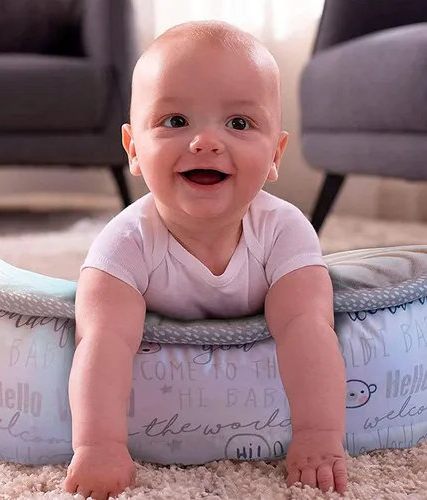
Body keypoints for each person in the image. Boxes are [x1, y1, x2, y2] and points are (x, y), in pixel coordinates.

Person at [65, 20, 347, 500]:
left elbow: (307, 327)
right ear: (133, 149)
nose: (206, 142)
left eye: (239, 123)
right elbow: (104, 341)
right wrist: (98, 444)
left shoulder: (285, 231)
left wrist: (319, 437)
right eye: (176, 121)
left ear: (276, 154)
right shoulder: (126, 242)